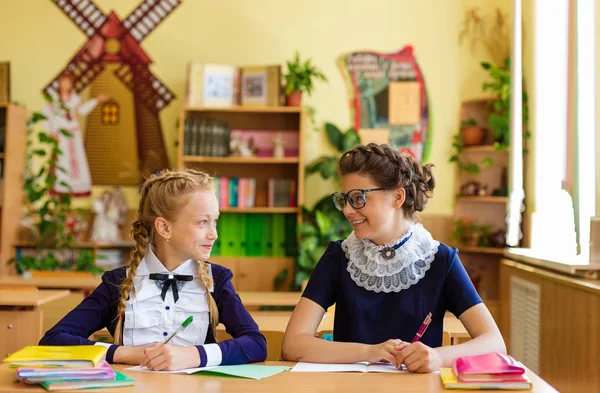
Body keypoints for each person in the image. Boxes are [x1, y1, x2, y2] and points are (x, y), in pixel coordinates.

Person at [281, 143, 505, 373]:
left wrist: (437, 357)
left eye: (358, 198)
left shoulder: (440, 259)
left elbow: (495, 343)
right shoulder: (339, 256)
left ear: (398, 197)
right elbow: (293, 344)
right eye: (345, 199)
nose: (347, 210)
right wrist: (368, 352)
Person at [40, 169, 267, 370]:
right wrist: (127, 354)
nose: (213, 234)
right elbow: (53, 340)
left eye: (215, 221)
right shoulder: (119, 282)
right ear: (164, 227)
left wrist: (193, 355)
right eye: (202, 222)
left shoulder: (216, 279)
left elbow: (256, 344)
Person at [41, 71, 109, 196]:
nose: (66, 85)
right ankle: (61, 188)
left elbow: (82, 110)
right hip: (61, 135)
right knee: (62, 160)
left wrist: (96, 100)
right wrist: (51, 133)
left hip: (73, 134)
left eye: (69, 82)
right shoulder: (53, 100)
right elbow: (46, 117)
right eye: (63, 82)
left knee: (76, 159)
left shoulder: (74, 98)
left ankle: (77, 186)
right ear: (59, 83)